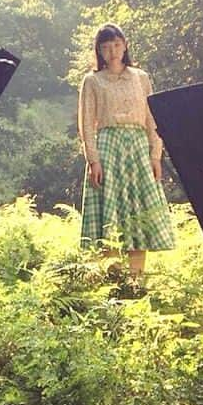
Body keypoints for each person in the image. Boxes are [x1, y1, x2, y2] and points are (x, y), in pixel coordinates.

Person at [78, 23, 173, 286]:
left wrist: (156, 155)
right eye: (106, 47)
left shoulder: (140, 78)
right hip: (108, 146)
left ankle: (136, 283)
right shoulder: (92, 81)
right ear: (99, 50)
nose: (112, 52)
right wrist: (93, 159)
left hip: (138, 147)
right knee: (111, 214)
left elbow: (152, 118)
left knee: (138, 214)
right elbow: (86, 123)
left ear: (125, 45)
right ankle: (115, 283)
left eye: (117, 45)